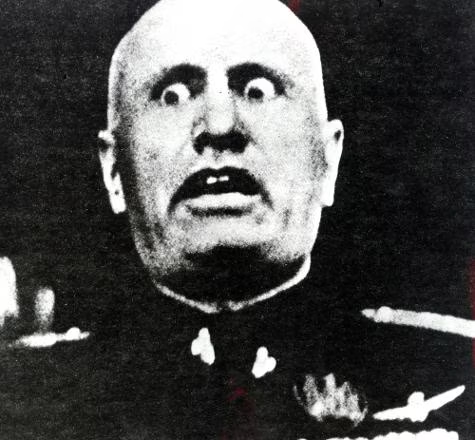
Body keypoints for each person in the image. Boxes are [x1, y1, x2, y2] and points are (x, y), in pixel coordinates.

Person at [1, 0, 473, 439]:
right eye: (173, 95)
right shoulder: (23, 396)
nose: (219, 126)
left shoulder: (455, 376)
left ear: (328, 161)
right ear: (113, 170)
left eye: (258, 90)